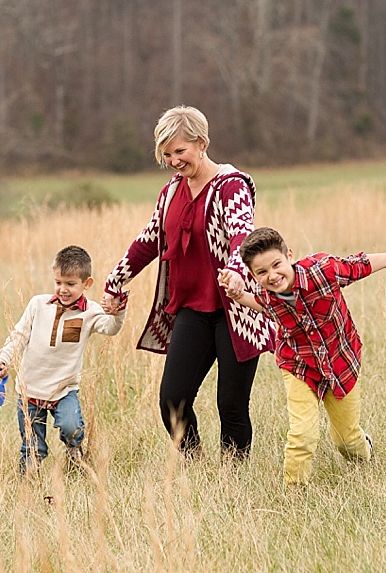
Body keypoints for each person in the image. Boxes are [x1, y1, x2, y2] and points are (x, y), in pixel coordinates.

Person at [101, 106, 276, 461]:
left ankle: (232, 478)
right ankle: (193, 463)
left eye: (179, 151)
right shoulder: (170, 192)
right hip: (192, 308)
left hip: (235, 308)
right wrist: (114, 281)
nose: (173, 161)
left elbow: (242, 238)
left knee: (231, 403)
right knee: (173, 398)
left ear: (202, 143)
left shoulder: (231, 186)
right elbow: (149, 241)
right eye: (166, 154)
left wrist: (235, 273)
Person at [218, 226, 386, 485]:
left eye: (277, 265)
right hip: (298, 365)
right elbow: (264, 305)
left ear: (289, 255)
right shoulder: (268, 294)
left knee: (347, 439)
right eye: (262, 272)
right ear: (254, 275)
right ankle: (294, 491)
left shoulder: (322, 270)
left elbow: (360, 265)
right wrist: (240, 295)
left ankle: (366, 457)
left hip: (340, 361)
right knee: (302, 433)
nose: (273, 276)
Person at [0, 245, 125, 475]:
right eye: (58, 282)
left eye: (71, 284)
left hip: (64, 390)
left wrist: (118, 312)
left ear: (86, 284)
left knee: (71, 427)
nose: (63, 289)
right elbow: (18, 336)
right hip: (30, 390)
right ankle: (29, 479)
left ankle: (74, 452)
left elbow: (110, 328)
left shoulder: (90, 312)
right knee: (32, 446)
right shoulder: (38, 305)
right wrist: (2, 360)